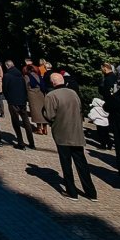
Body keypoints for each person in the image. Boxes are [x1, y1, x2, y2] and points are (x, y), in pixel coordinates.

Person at [43, 72, 97, 201]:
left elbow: (49, 115)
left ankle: (71, 191)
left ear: (53, 82)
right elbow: (80, 109)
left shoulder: (51, 95)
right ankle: (91, 192)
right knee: (81, 162)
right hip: (76, 131)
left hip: (62, 132)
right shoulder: (73, 93)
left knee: (66, 163)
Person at [2, 59, 35, 149]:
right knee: (26, 121)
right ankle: (31, 143)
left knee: (15, 122)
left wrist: (8, 98)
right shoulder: (20, 75)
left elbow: (5, 89)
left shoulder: (7, 76)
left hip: (13, 101)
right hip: (22, 100)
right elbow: (24, 87)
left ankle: (21, 142)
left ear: (7, 66)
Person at [25, 63, 48, 136]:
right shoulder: (38, 75)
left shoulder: (27, 76)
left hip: (33, 95)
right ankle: (45, 129)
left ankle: (39, 129)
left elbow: (26, 86)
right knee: (43, 111)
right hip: (41, 94)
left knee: (36, 112)